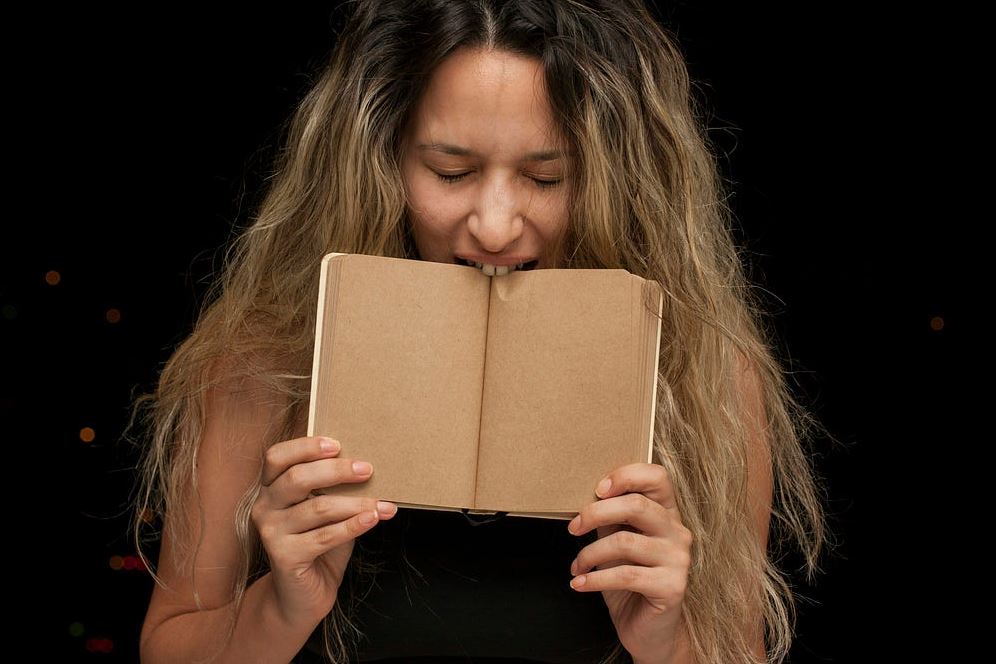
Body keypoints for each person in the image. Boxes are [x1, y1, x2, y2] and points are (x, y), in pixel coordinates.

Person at [130, 1, 827, 662]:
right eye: (451, 170)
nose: (495, 226)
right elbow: (168, 644)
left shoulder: (707, 372)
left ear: (617, 177)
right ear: (384, 155)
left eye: (546, 178)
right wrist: (276, 609)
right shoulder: (260, 363)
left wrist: (668, 641)